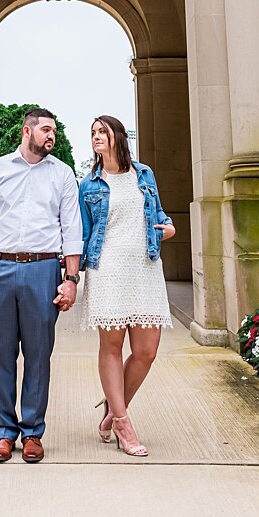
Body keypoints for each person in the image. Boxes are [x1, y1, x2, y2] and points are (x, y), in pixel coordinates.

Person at [0, 107, 81, 464]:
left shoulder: (62, 175)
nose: (52, 137)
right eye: (46, 130)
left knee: (37, 355)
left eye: (54, 132)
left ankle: (32, 432)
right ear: (26, 131)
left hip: (42, 269)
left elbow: (71, 229)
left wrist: (71, 280)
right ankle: (4, 432)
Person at [77, 114, 175, 458]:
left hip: (145, 267)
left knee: (146, 351)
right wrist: (73, 275)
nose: (96, 137)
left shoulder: (144, 174)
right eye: (92, 134)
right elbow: (85, 233)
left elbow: (160, 215)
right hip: (108, 270)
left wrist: (168, 227)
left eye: (102, 132)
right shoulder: (89, 184)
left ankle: (113, 405)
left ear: (118, 136)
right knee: (113, 347)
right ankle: (121, 421)